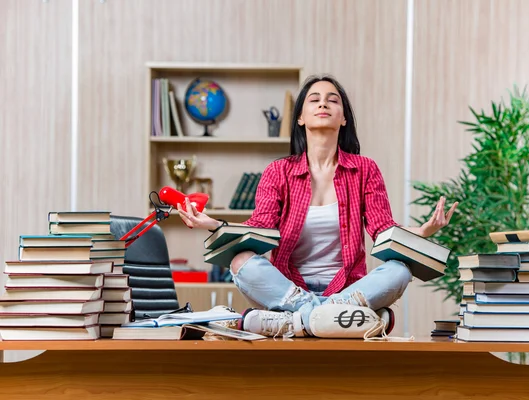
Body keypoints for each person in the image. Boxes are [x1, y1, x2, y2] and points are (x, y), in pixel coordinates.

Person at [177, 75, 458, 339]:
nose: (323, 103)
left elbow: (383, 230)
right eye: (314, 99)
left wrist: (422, 230)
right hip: (290, 288)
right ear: (300, 117)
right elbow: (259, 229)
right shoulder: (278, 171)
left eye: (333, 99)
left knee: (400, 270)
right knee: (241, 262)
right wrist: (212, 224)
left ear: (344, 117)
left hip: (348, 289)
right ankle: (328, 318)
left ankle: (296, 322)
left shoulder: (364, 169)